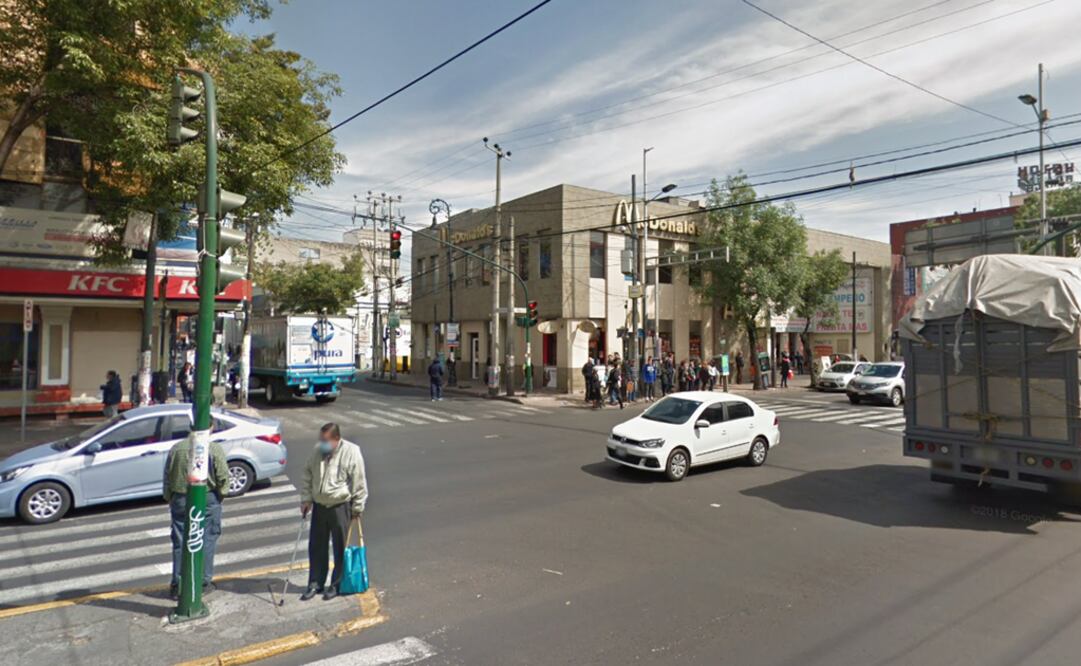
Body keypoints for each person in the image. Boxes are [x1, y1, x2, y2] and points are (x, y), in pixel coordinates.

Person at [300, 423, 368, 601]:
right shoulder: (317, 451)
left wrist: (357, 507)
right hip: (320, 506)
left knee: (340, 547)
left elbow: (359, 481)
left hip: (340, 506)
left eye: (325, 441)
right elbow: (307, 473)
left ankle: (336, 584)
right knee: (317, 546)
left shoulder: (352, 452)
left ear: (336, 440)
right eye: (321, 440)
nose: (322, 444)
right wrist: (306, 499)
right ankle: (315, 583)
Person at [164, 431, 228, 600]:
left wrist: (170, 497)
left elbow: (167, 477)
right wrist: (220, 495)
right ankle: (203, 581)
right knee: (207, 539)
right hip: (206, 497)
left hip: (180, 497)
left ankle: (177, 583)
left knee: (180, 541)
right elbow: (223, 478)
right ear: (211, 427)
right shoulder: (213, 449)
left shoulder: (176, 448)